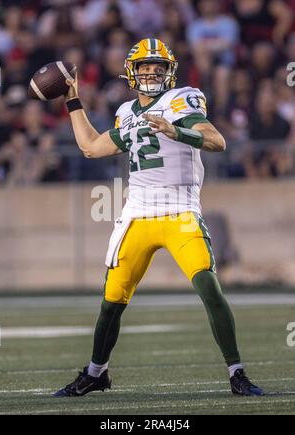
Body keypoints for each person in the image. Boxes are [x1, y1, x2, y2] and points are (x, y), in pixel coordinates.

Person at [54, 38, 263, 398]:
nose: (151, 73)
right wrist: (72, 100)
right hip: (137, 213)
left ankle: (236, 372)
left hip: (180, 210)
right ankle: (95, 373)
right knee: (111, 303)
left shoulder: (182, 99)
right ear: (130, 73)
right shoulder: (124, 112)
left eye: (158, 67)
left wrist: (175, 130)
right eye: (144, 67)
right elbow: (91, 147)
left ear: (170, 71)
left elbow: (216, 141)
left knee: (209, 287)